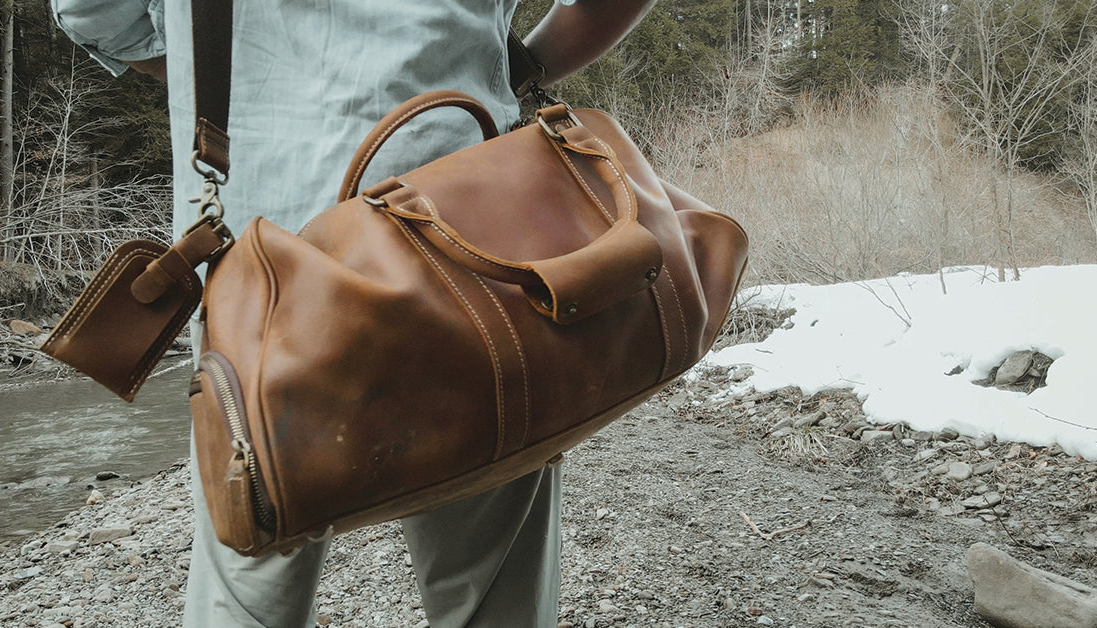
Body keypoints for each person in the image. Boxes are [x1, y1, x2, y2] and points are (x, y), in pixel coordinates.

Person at [50, 1, 656, 625]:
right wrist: (517, 64)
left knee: (250, 574)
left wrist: (234, 68)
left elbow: (94, 10)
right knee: (493, 574)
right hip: (462, 243)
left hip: (256, 266)